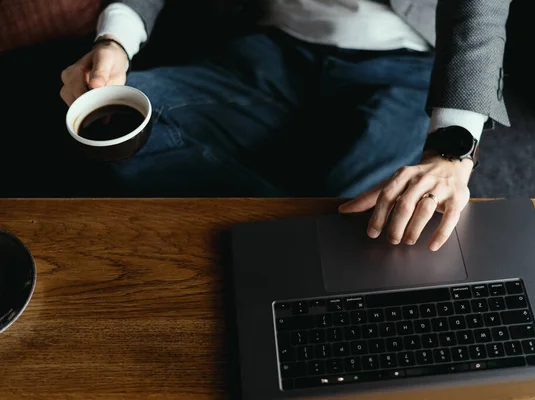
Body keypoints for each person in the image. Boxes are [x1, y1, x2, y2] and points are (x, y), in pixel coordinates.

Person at [60, 0, 512, 251]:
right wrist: (115, 40)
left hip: (405, 60)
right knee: (117, 131)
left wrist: (452, 150)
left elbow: (478, 10)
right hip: (270, 50)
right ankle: (288, 227)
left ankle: (283, 230)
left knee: (362, 209)